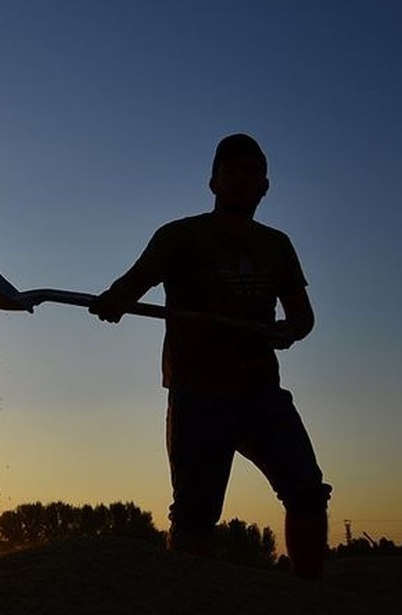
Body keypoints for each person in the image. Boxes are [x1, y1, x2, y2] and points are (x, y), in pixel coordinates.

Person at [88, 133, 332, 579]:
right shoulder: (180, 236)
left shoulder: (277, 245)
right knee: (194, 517)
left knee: (307, 492)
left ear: (265, 186)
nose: (241, 179)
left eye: (251, 172)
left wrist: (289, 330)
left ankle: (310, 592)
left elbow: (303, 315)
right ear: (213, 182)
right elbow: (134, 282)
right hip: (197, 395)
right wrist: (115, 299)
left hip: (261, 392)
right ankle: (189, 594)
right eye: (231, 170)